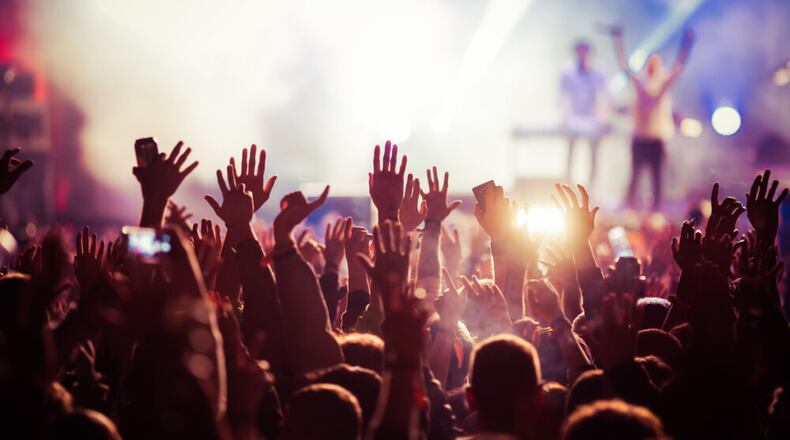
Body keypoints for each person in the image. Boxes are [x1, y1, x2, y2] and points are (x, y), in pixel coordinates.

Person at [612, 26, 695, 210]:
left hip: (656, 139)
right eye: (649, 64)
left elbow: (678, 66)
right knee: (635, 177)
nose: (652, 67)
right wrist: (617, 40)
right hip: (640, 138)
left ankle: (655, 211)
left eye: (655, 64)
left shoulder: (663, 83)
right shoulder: (640, 84)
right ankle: (631, 208)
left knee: (657, 178)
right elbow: (624, 66)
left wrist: (687, 44)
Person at [560, 40, 611, 185]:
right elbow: (561, 96)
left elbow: (606, 95)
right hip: (574, 118)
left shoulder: (599, 71)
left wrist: (602, 114)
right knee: (571, 151)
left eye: (585, 53)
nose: (582, 56)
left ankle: (592, 185)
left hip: (592, 119)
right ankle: (567, 183)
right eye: (579, 53)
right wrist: (564, 115)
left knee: (594, 153)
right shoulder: (567, 72)